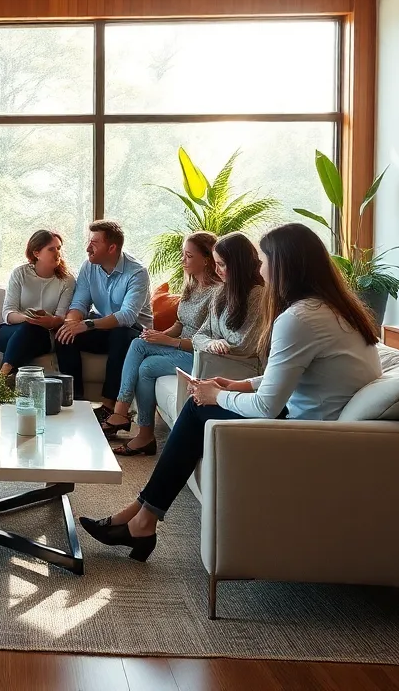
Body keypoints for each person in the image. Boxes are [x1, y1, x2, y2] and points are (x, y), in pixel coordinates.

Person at [79, 223, 382, 561]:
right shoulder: (332, 308)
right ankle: (141, 517)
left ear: (285, 265)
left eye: (264, 260)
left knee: (197, 407)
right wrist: (237, 385)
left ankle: (141, 520)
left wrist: (216, 396)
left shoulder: (300, 318)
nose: (260, 267)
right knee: (198, 400)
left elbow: (268, 406)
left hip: (308, 432)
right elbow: (296, 377)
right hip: (315, 419)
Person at [101, 231, 223, 453]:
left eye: (188, 256)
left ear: (206, 260)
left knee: (143, 357)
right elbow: (179, 324)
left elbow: (208, 340)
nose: (182, 260)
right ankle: (136, 428)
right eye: (182, 255)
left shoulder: (218, 294)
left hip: (199, 355)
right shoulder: (191, 286)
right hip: (180, 348)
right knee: (141, 345)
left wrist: (166, 341)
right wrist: (158, 336)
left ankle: (125, 417)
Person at [56, 220, 153, 407]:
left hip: (136, 331)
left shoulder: (137, 272)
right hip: (102, 325)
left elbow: (127, 316)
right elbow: (79, 303)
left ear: (111, 248)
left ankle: (109, 406)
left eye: (94, 243)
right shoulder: (88, 267)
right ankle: (75, 401)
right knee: (64, 335)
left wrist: (86, 324)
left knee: (120, 334)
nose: (87, 248)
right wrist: (71, 324)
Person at [0, 230, 77, 377]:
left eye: (59, 248)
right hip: (11, 331)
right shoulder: (20, 274)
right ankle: (7, 376)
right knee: (29, 328)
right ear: (36, 253)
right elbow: (8, 313)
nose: (57, 253)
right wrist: (28, 319)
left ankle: (3, 376)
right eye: (51, 249)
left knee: (33, 331)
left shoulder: (67, 280)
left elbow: (60, 318)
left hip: (43, 335)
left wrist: (50, 321)